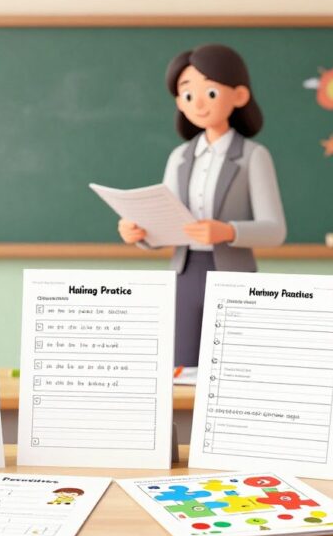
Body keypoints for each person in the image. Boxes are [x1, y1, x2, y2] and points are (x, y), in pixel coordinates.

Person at [118, 44, 287, 368]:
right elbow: (165, 223)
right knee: (180, 366)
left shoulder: (253, 156)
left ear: (238, 95)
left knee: (233, 369)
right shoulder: (179, 157)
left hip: (234, 275)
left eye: (210, 92)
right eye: (186, 93)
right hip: (183, 274)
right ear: (179, 102)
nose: (197, 102)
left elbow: (275, 230)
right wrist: (139, 232)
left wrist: (227, 231)